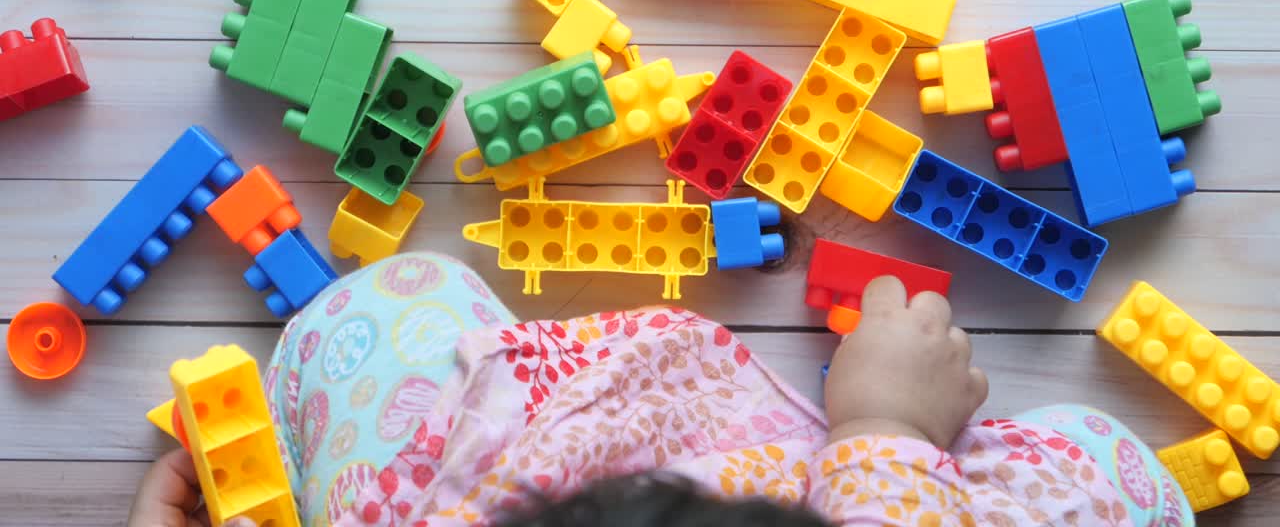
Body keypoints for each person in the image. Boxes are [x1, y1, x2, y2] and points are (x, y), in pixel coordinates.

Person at [128, 252, 1193, 527]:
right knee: (1105, 477)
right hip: (797, 459)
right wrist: (882, 424)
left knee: (372, 313)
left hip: (488, 468)